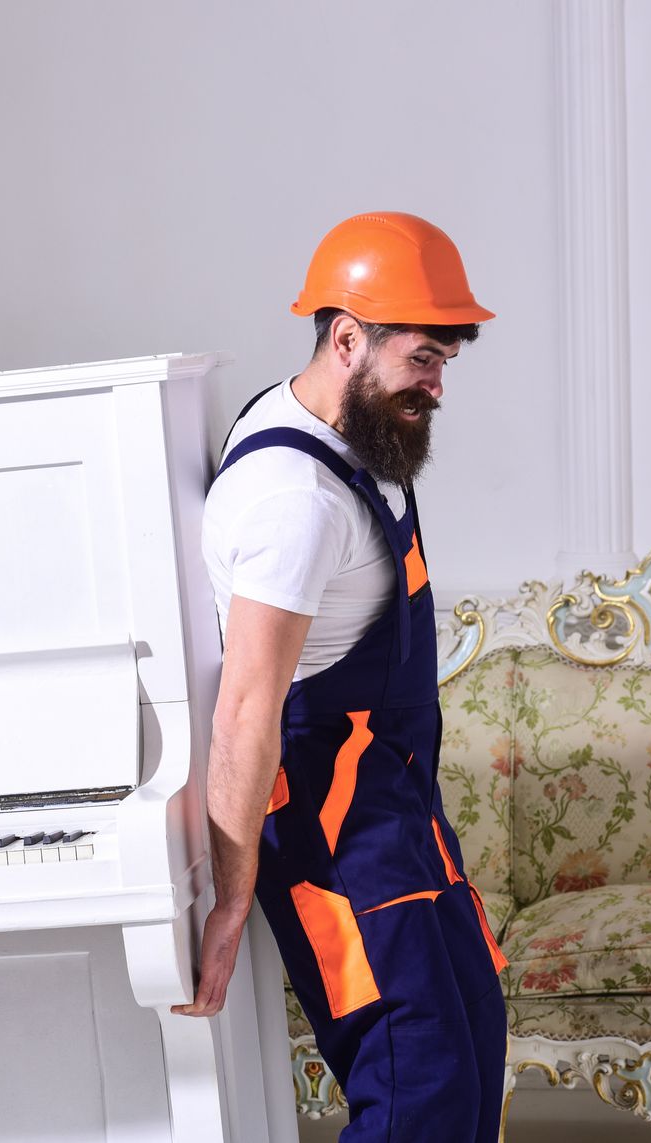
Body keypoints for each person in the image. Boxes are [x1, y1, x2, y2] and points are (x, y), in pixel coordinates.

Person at [172, 212, 510, 1140]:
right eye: (422, 360)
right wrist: (232, 899)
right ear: (347, 338)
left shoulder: (355, 432)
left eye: (445, 361)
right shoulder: (295, 502)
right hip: (334, 831)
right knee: (418, 1083)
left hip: (396, 805)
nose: (437, 386)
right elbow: (245, 708)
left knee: (476, 1038)